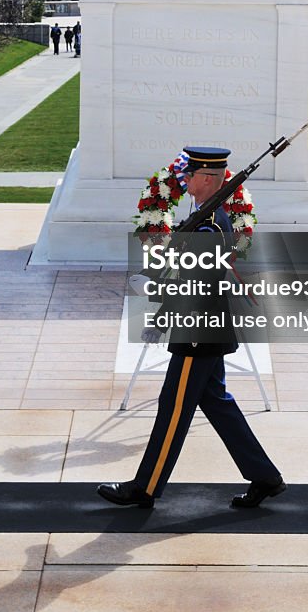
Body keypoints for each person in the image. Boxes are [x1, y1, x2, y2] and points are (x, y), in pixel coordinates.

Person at [97, 145, 286, 510]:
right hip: (202, 329)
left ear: (205, 179)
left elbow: (199, 285)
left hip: (198, 334)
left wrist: (153, 290)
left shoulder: (211, 226)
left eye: (190, 175)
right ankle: (265, 477)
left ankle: (145, 487)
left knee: (172, 410)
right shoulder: (203, 216)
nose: (183, 181)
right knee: (217, 403)